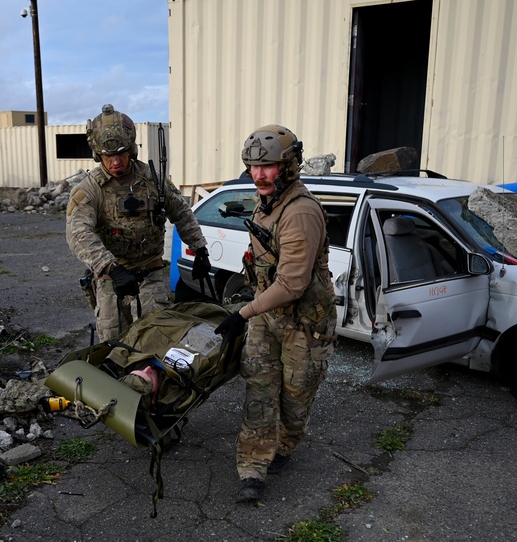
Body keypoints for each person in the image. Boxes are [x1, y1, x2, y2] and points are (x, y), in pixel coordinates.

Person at [214, 124, 337, 503]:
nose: (258, 175)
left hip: (303, 324)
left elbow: (293, 284)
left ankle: (285, 445)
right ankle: (252, 467)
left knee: (295, 401)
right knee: (260, 390)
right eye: (252, 166)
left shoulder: (300, 212)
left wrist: (243, 313)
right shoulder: (265, 203)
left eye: (267, 167)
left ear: (288, 166)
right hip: (269, 318)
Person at [67, 104, 211, 341]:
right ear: (98, 155)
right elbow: (78, 233)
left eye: (121, 153)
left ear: (131, 149)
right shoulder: (91, 189)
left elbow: (181, 211)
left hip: (150, 276)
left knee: (157, 340)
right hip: (112, 282)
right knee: (114, 345)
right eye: (108, 156)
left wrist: (200, 248)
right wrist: (110, 267)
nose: (115, 162)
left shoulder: (152, 180)